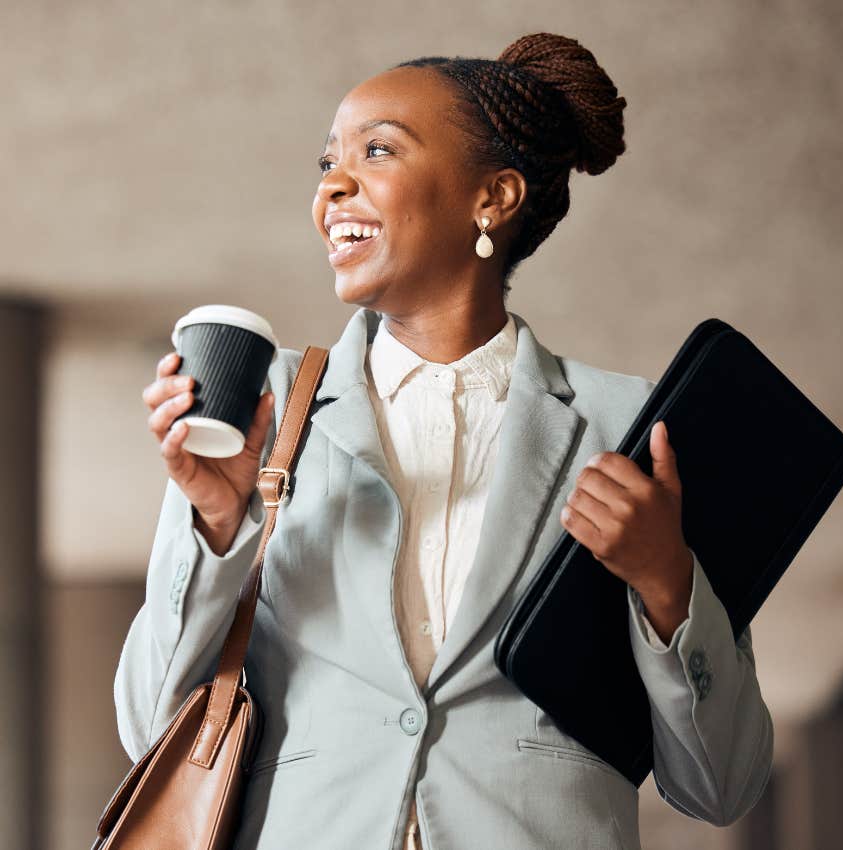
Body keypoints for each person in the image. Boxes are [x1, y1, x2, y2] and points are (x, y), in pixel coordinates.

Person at [118, 32, 773, 850]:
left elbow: (724, 784)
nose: (332, 186)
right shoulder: (265, 406)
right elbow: (149, 726)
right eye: (327, 162)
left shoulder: (634, 426)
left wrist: (667, 582)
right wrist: (217, 525)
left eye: (377, 150)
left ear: (493, 197)